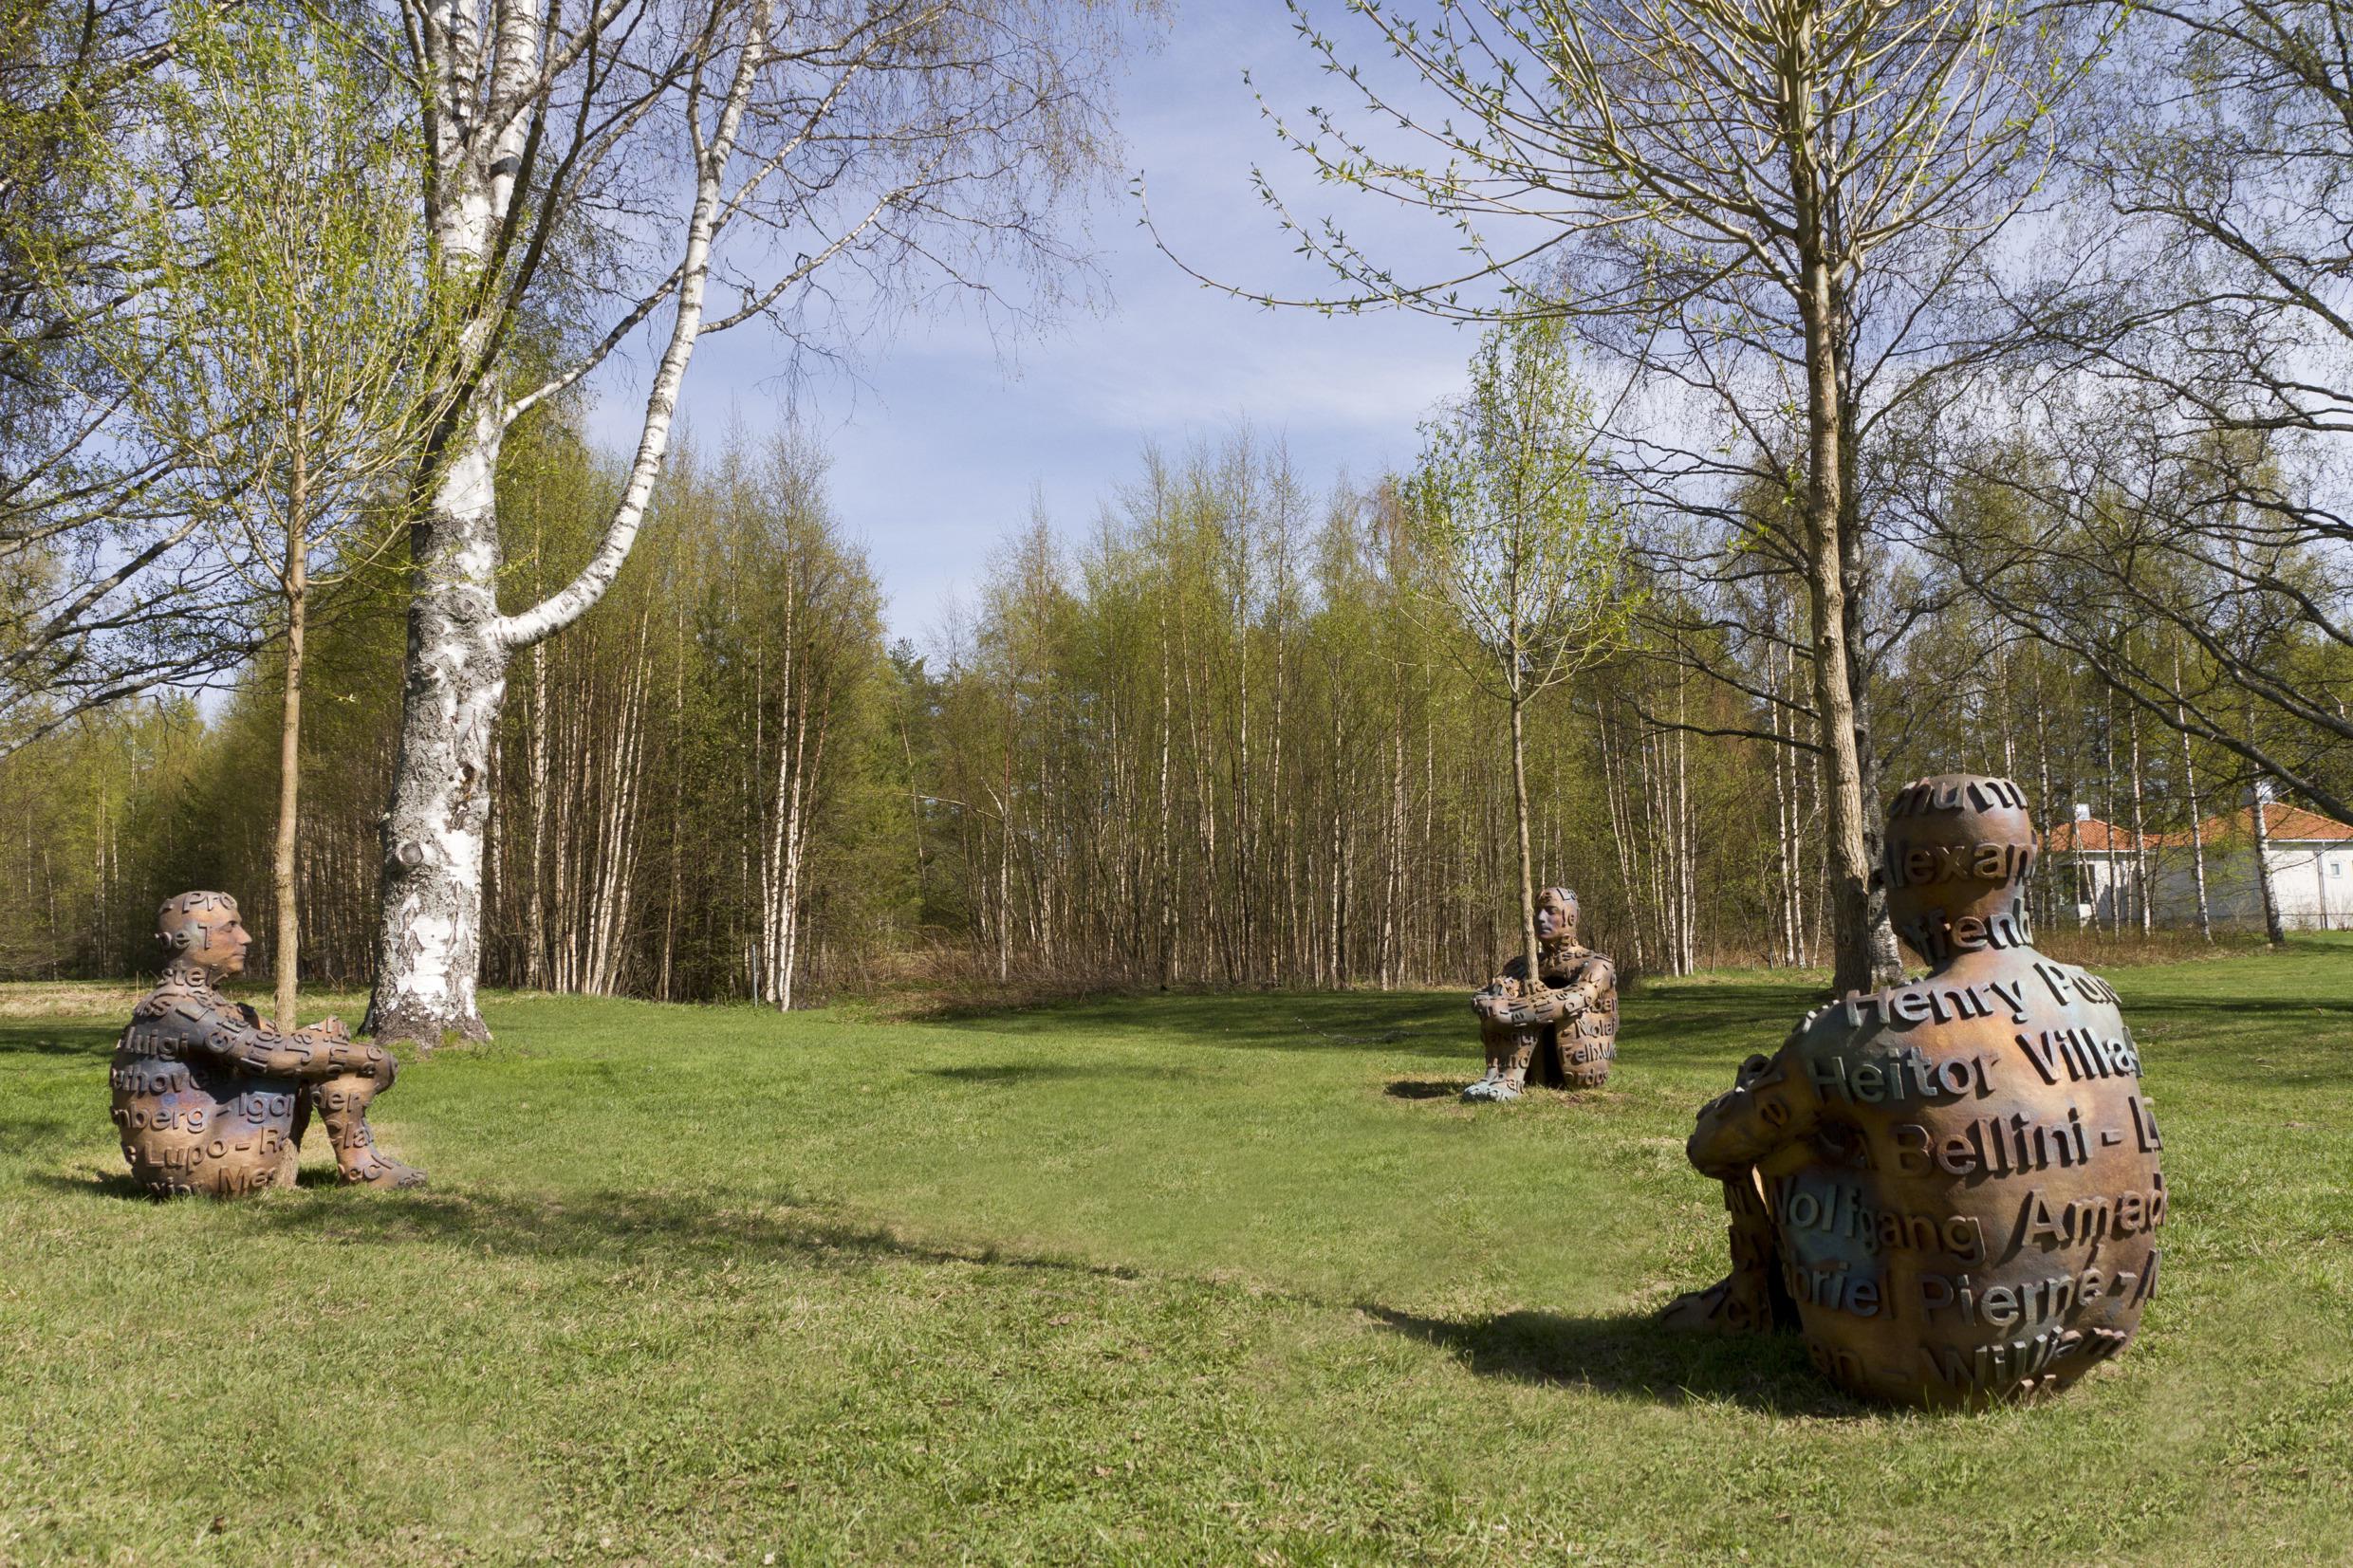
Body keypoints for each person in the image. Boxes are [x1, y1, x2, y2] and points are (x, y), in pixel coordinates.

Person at [1659, 775, 2163, 1406]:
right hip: (2092, 1340)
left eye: (1892, 873)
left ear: (1918, 874)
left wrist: (1749, 1093)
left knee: (1796, 1144)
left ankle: (1749, 1303)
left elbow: (1713, 1147)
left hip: (1925, 1365)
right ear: (2020, 865)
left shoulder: (1867, 1031)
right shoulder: (2095, 1001)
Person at [112, 891, 423, 1196]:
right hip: (196, 1170)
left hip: (203, 1156)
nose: (244, 938)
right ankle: (361, 1167)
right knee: (303, 1060)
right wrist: (374, 1057)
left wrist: (320, 1039)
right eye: (229, 927)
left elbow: (273, 1044)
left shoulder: (200, 1004)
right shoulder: (177, 1007)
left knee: (317, 1051)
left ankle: (361, 1165)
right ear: (186, 940)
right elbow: (274, 1056)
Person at [1464, 886, 1619, 1100]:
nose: (1540, 918)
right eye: (1537, 912)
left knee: (1531, 1008)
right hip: (1532, 1073)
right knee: (1508, 998)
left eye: (1550, 911)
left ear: (1571, 917)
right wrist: (1490, 1000)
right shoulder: (1520, 965)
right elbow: (1486, 993)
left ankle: (1510, 1080)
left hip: (1582, 1068)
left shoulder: (1596, 964)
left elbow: (1575, 998)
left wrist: (1512, 1010)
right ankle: (1496, 1076)